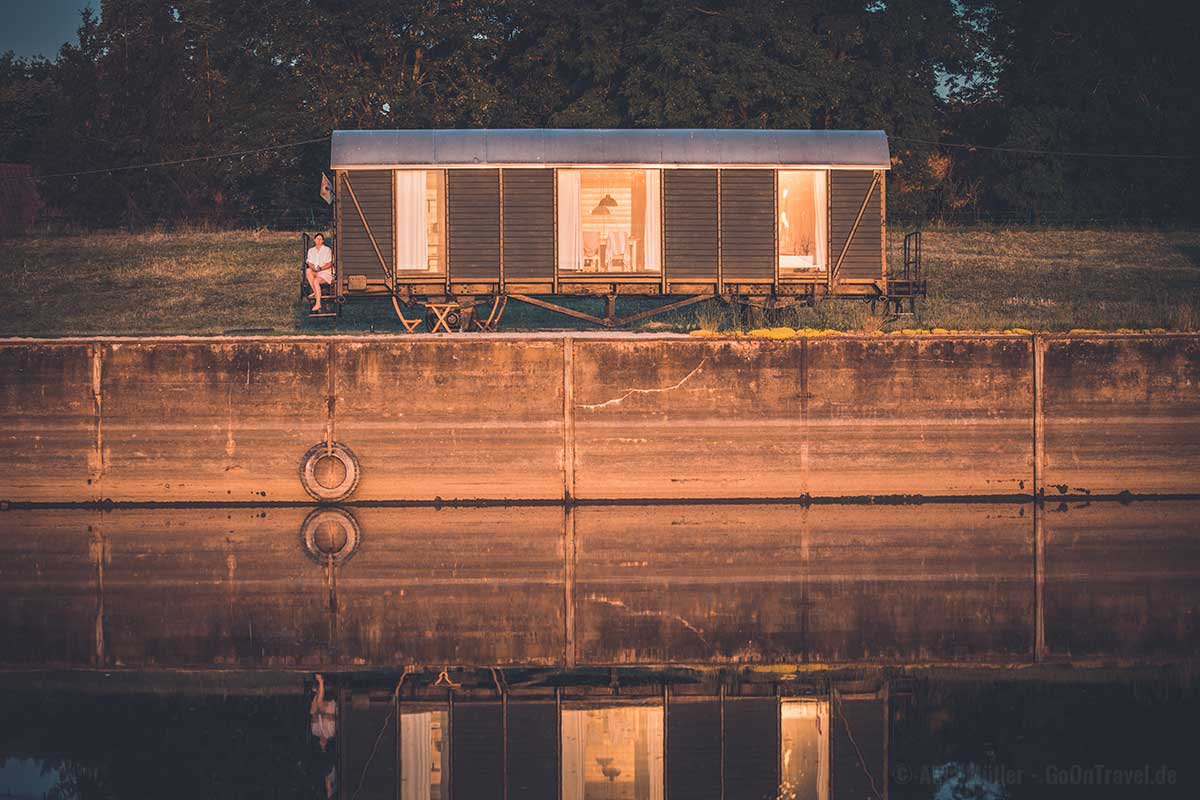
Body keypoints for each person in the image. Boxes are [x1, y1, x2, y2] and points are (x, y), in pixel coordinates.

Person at [310, 673, 338, 798]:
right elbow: (333, 717)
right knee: (320, 704)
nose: (321, 741)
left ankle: (319, 689)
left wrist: (318, 714)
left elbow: (314, 717)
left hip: (321, 708)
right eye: (323, 744)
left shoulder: (315, 732)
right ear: (326, 744)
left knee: (314, 708)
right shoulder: (330, 733)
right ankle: (320, 682)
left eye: (319, 743)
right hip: (329, 708)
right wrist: (323, 714)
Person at [305, 234, 334, 312]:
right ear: (314, 240)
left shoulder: (327, 250)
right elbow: (309, 262)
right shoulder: (311, 250)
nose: (319, 241)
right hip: (316, 271)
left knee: (316, 281)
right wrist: (313, 267)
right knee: (308, 271)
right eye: (317, 239)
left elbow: (330, 263)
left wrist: (321, 268)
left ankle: (318, 303)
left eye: (321, 239)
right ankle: (315, 292)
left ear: (323, 241)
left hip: (325, 272)